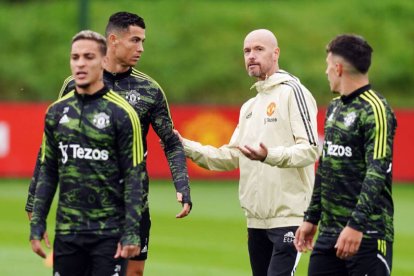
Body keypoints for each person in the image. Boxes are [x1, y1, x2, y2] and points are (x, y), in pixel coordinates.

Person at [25, 12, 192, 276]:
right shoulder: (71, 88)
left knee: (133, 272)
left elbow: (170, 141)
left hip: (128, 206)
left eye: (143, 41)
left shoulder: (148, 90)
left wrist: (182, 185)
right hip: (78, 210)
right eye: (135, 40)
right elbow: (52, 149)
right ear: (113, 40)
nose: (141, 48)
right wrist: (35, 200)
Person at [174, 29, 319, 276]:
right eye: (247, 51)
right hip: (256, 221)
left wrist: (268, 155)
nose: (251, 56)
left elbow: (311, 149)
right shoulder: (250, 106)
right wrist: (183, 144)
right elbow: (230, 156)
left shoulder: (293, 91)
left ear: (276, 53)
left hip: (290, 217)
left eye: (258, 49)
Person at [30, 30, 145, 275]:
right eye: (75, 57)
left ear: (103, 61)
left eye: (88, 57)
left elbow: (135, 177)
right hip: (68, 232)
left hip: (109, 234)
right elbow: (48, 171)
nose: (80, 63)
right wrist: (38, 220)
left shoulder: (123, 113)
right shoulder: (56, 112)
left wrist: (132, 231)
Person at [294, 34, 397, 275]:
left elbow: (377, 172)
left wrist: (356, 226)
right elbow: (326, 165)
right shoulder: (335, 107)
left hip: (366, 235)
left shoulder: (376, 109)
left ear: (338, 68)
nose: (326, 71)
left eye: (328, 65)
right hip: (329, 235)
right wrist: (312, 218)